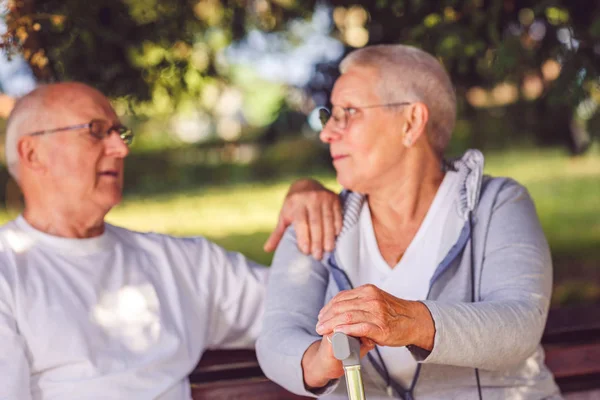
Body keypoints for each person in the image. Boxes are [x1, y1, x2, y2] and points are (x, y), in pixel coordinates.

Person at [0, 82, 341, 400]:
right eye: (96, 132)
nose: (120, 149)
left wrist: (306, 191)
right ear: (32, 154)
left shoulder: (180, 263)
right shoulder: (7, 272)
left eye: (120, 133)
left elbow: (305, 307)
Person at [257, 44, 562, 399]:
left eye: (350, 112)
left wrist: (409, 321)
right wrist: (322, 360)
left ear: (412, 122)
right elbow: (277, 337)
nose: (327, 134)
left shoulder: (497, 204)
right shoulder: (317, 219)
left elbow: (519, 324)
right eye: (330, 115)